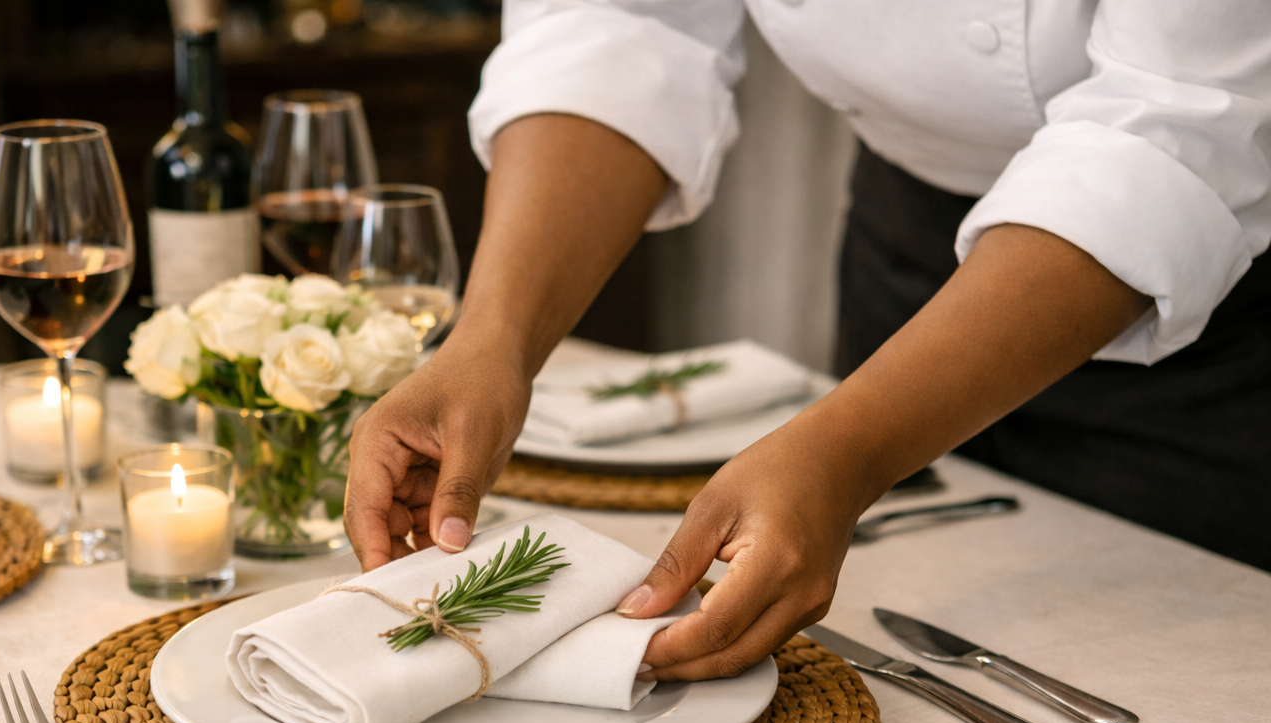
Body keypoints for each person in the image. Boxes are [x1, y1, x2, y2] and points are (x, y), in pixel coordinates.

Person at [343, 0, 1271, 683]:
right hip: (916, 247)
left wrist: (847, 448)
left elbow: (1186, 117)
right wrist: (493, 337)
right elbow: (623, 21)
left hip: (1224, 297)